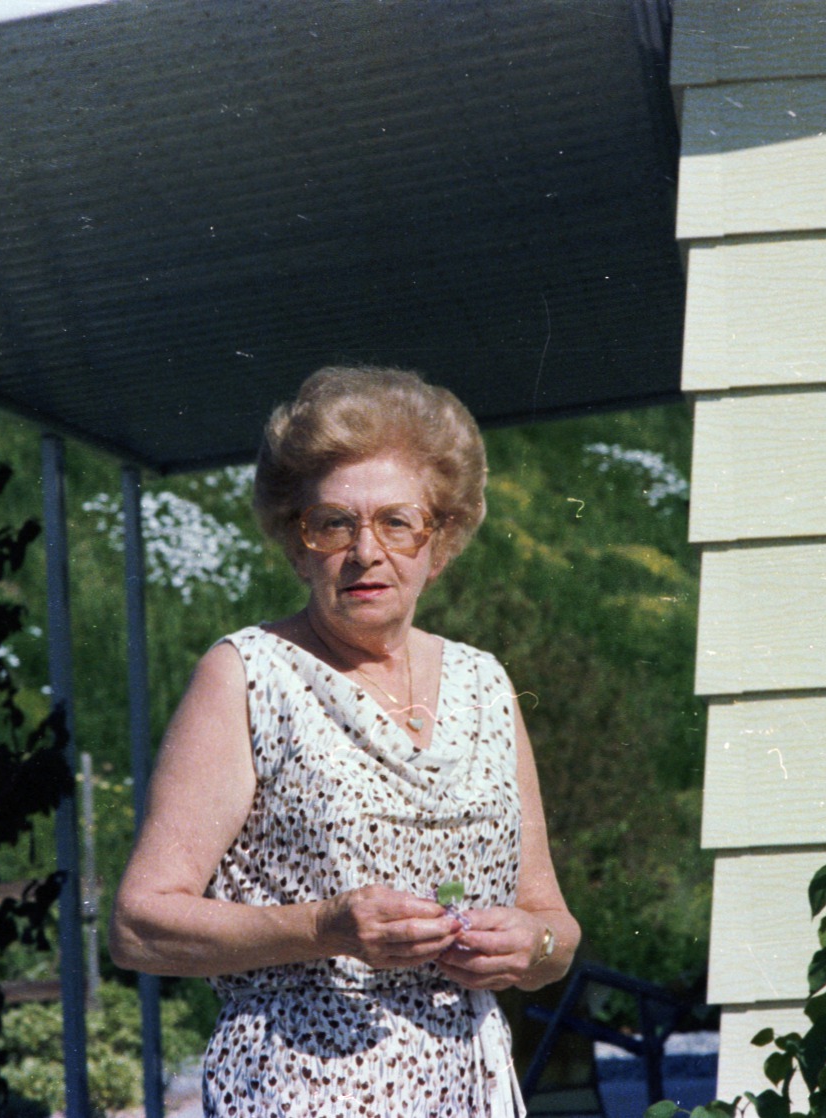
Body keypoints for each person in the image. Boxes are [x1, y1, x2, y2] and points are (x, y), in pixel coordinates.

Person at [110, 365, 580, 1117]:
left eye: (397, 521)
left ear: (442, 537)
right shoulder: (248, 676)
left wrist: (533, 951)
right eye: (333, 524)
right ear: (296, 544)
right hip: (300, 1089)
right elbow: (139, 925)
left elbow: (552, 917)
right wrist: (323, 928)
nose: (366, 551)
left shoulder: (487, 684)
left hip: (473, 1089)